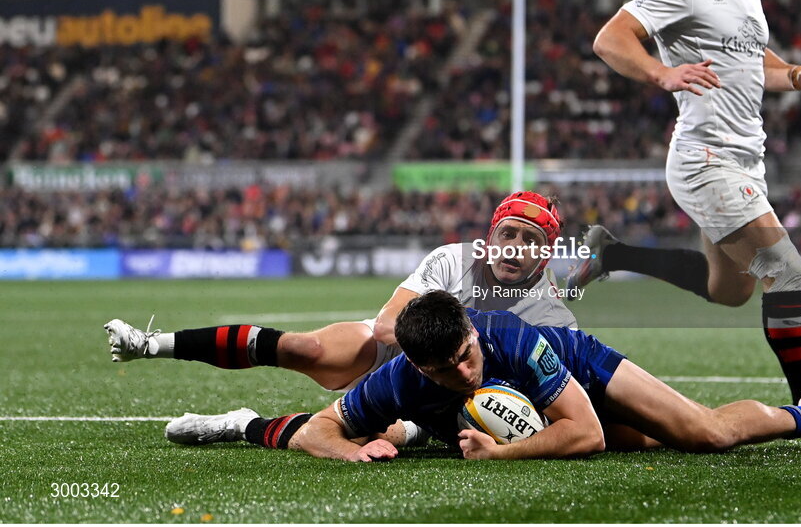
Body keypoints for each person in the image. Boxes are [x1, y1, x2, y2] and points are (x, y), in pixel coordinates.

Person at [572, 0, 801, 404]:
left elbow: (754, 64)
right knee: (785, 268)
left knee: (728, 290)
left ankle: (614, 256)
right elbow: (609, 39)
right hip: (706, 160)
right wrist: (663, 74)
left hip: (746, 160)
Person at [106, 191, 576, 449]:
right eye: (507, 233)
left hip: (460, 394)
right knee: (305, 348)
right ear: (490, 235)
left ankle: (241, 425)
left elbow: (563, 394)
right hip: (401, 355)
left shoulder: (553, 313)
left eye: (529, 239)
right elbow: (388, 325)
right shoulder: (453, 261)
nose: (515, 245)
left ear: (547, 251)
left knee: (371, 437)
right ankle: (150, 344)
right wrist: (444, 348)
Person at [283, 290, 801, 462]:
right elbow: (318, 427)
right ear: (417, 367)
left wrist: (500, 456)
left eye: (467, 355)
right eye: (444, 371)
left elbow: (586, 432)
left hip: (581, 370)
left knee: (702, 434)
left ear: (473, 330)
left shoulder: (514, 341)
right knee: (648, 445)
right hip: (540, 408)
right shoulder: (400, 380)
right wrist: (350, 455)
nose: (464, 372)